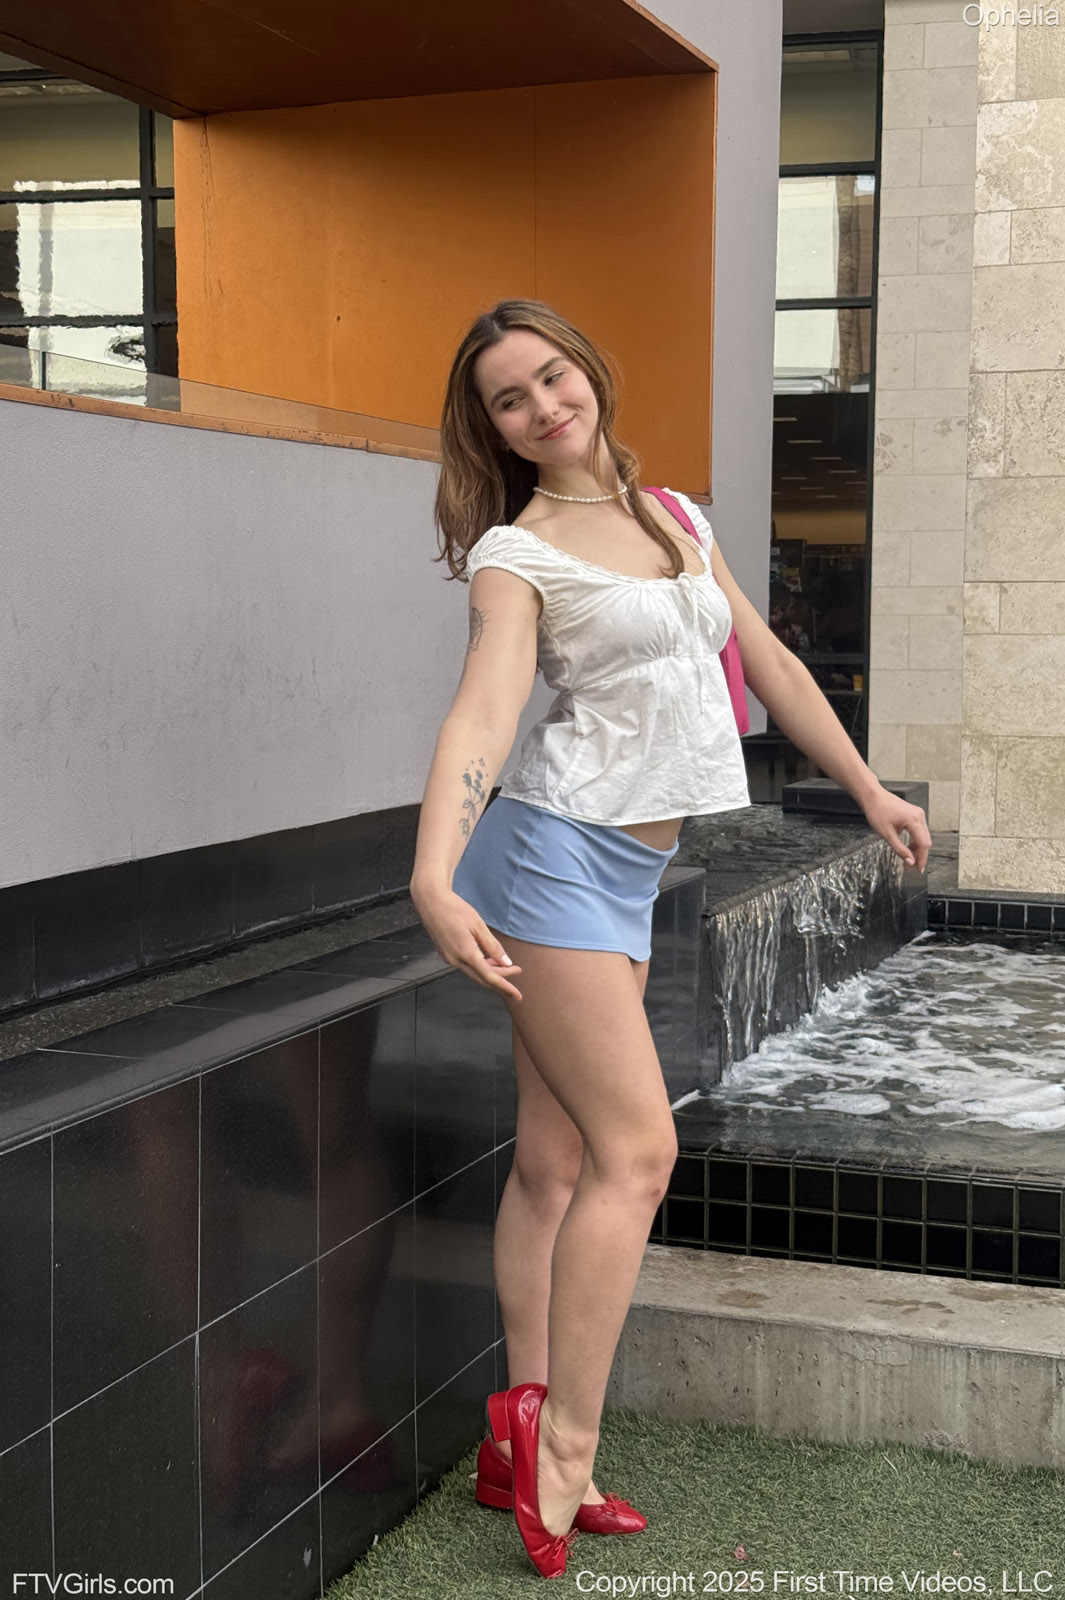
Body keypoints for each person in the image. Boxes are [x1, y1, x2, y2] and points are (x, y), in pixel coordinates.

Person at [409, 298, 931, 1578]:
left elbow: (773, 662)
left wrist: (868, 788)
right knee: (638, 1154)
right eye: (510, 398)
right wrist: (431, 873)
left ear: (588, 370)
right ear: (493, 429)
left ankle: (515, 1429)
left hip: (624, 872)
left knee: (555, 1161)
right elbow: (483, 714)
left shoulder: (675, 517)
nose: (543, 406)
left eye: (553, 376)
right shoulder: (517, 553)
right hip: (551, 861)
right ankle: (567, 1450)